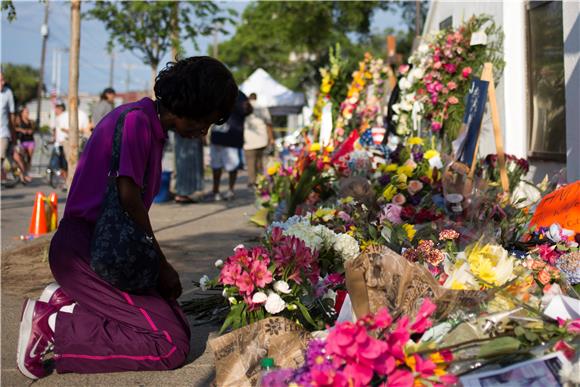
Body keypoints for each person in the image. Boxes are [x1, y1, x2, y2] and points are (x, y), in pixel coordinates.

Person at [16, 56, 238, 379]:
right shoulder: (137, 122)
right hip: (85, 252)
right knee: (170, 343)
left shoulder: (150, 124)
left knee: (178, 324)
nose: (203, 131)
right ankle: (52, 325)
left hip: (101, 254)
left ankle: (69, 300)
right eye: (204, 121)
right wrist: (162, 266)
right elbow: (128, 197)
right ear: (188, 103)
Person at [210, 91, 251, 201]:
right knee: (216, 166)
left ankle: (230, 190)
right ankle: (216, 190)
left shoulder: (240, 95)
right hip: (219, 136)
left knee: (232, 166)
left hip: (232, 137)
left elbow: (247, 110)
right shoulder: (216, 92)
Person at [52, 100, 90, 184]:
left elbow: (86, 129)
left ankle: (73, 182)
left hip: (78, 141)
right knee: (68, 164)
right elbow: (61, 128)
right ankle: (71, 182)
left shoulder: (82, 115)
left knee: (73, 164)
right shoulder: (64, 115)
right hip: (66, 141)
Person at [243, 93, 274, 187]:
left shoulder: (243, 107)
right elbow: (269, 124)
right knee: (260, 162)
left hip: (247, 140)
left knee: (250, 163)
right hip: (261, 139)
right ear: (256, 98)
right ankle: (261, 181)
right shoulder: (262, 107)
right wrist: (271, 138)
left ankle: (252, 181)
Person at [173, 134, 204, 204]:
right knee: (185, 162)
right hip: (186, 133)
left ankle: (183, 193)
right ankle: (182, 193)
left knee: (185, 161)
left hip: (188, 136)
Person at [12, 106, 37, 183]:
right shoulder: (19, 121)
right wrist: (22, 130)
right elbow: (14, 128)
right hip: (22, 142)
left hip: (30, 141)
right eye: (26, 112)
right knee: (21, 157)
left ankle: (26, 169)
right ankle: (23, 173)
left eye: (28, 112)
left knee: (29, 156)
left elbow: (34, 129)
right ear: (22, 113)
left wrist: (31, 131)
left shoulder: (31, 122)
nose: (27, 113)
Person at [1, 72, 16, 185]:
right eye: (0, 80)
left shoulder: (8, 93)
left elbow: (12, 115)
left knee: (0, 156)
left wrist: (13, 133)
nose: (3, 82)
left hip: (3, 132)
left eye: (3, 80)